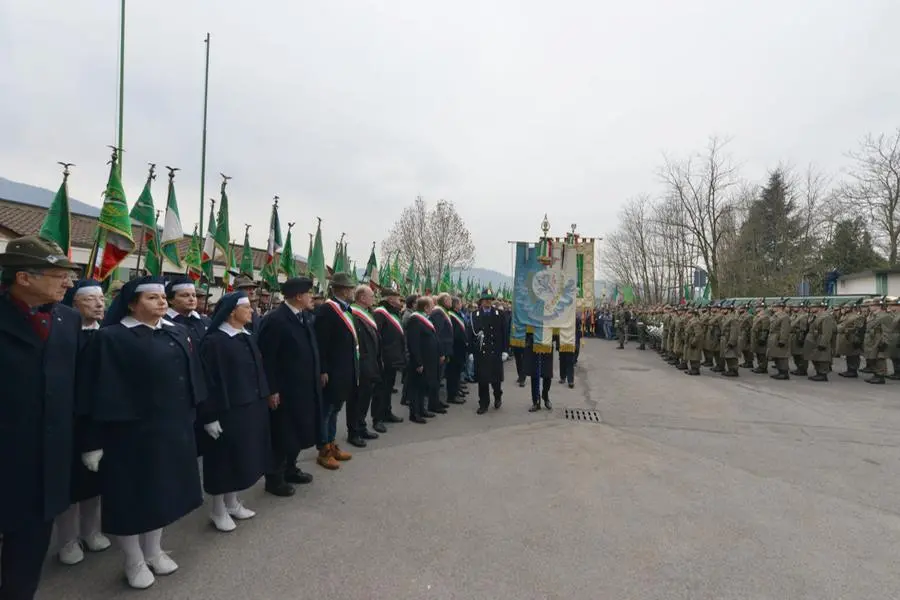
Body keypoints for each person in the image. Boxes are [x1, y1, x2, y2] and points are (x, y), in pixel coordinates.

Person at [79, 276, 205, 589]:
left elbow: (191, 377)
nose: (162, 302)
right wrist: (92, 442)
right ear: (133, 304)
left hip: (171, 430)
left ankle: (154, 550)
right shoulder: (111, 338)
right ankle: (133, 560)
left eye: (163, 297)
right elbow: (95, 393)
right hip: (130, 436)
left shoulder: (175, 331)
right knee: (132, 500)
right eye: (152, 298)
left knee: (163, 494)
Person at [0, 236, 80, 600]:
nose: (68, 283)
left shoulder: (68, 320)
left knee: (30, 548)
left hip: (47, 458)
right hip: (6, 453)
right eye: (58, 275)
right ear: (23, 278)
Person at [198, 291, 273, 531]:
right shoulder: (214, 342)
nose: (252, 311)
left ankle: (232, 502)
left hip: (250, 406)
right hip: (226, 410)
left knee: (241, 457)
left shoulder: (246, 336)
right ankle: (218, 509)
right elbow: (208, 382)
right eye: (247, 307)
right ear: (232, 312)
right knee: (223, 461)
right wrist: (209, 416)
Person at [55, 280, 111, 566]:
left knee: (96, 482)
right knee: (71, 485)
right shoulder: (62, 335)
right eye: (91, 300)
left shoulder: (109, 336)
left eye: (101, 299)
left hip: (102, 420)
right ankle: (67, 539)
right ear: (74, 304)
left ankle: (91, 531)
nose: (99, 304)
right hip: (70, 421)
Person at [257, 277, 328, 486]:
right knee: (282, 433)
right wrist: (272, 390)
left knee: (297, 430)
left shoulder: (304, 317)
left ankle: (291, 468)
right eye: (309, 294)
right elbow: (268, 358)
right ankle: (274, 477)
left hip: (304, 387)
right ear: (298, 296)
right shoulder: (276, 320)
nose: (312, 298)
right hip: (285, 389)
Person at [314, 273, 358, 461]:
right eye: (350, 289)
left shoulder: (346, 310)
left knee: (336, 408)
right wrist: (323, 369)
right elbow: (321, 343)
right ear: (341, 290)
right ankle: (323, 449)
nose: (352, 292)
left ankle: (331, 443)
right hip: (332, 370)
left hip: (344, 369)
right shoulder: (327, 310)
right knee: (327, 410)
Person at [349, 285, 381, 446]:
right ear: (362, 298)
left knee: (365, 398)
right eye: (371, 296)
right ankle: (354, 432)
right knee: (357, 399)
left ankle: (361, 427)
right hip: (361, 363)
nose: (373, 298)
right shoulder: (354, 314)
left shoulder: (368, 314)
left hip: (370, 362)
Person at [372, 289, 406, 431]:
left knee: (388, 388)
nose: (400, 302)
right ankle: (377, 418)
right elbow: (377, 336)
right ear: (391, 299)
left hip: (393, 358)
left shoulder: (393, 313)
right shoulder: (380, 313)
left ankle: (387, 412)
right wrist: (380, 357)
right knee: (380, 390)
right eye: (398, 299)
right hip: (384, 359)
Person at [405, 295, 441, 423]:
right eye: (431, 306)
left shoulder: (425, 319)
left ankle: (422, 409)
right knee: (416, 388)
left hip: (428, 360)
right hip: (420, 361)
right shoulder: (415, 320)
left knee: (423, 386)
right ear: (426, 307)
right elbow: (413, 343)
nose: (433, 308)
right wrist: (418, 362)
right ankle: (414, 413)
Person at [471, 289, 506, 415]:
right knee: (483, 380)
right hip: (481, 352)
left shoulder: (499, 314)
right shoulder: (475, 315)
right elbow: (471, 334)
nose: (488, 302)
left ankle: (498, 396)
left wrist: (505, 350)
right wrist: (471, 351)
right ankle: (483, 403)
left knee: (496, 379)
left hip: (495, 351)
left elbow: (504, 333)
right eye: (486, 299)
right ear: (481, 301)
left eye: (490, 299)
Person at [165, 276, 211, 341]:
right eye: (185, 295)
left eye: (194, 295)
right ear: (170, 300)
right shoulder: (162, 321)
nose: (192, 299)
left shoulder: (206, 321)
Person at [446, 296, 469, 404]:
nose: (461, 305)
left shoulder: (458, 314)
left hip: (460, 348)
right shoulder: (451, 315)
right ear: (455, 305)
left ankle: (456, 390)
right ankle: (452, 395)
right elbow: (454, 333)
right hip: (455, 348)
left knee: (457, 371)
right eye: (460, 303)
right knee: (453, 372)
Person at [524, 330, 553, 411]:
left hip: (547, 339)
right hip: (533, 340)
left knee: (547, 373)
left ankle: (545, 395)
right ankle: (535, 401)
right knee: (534, 373)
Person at [767, 299, 792, 380]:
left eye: (774, 306)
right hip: (774, 338)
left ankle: (784, 373)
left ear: (779, 307)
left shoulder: (784, 317)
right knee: (777, 355)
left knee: (782, 356)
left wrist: (782, 340)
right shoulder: (775, 315)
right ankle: (780, 371)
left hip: (779, 338)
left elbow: (784, 330)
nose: (773, 308)